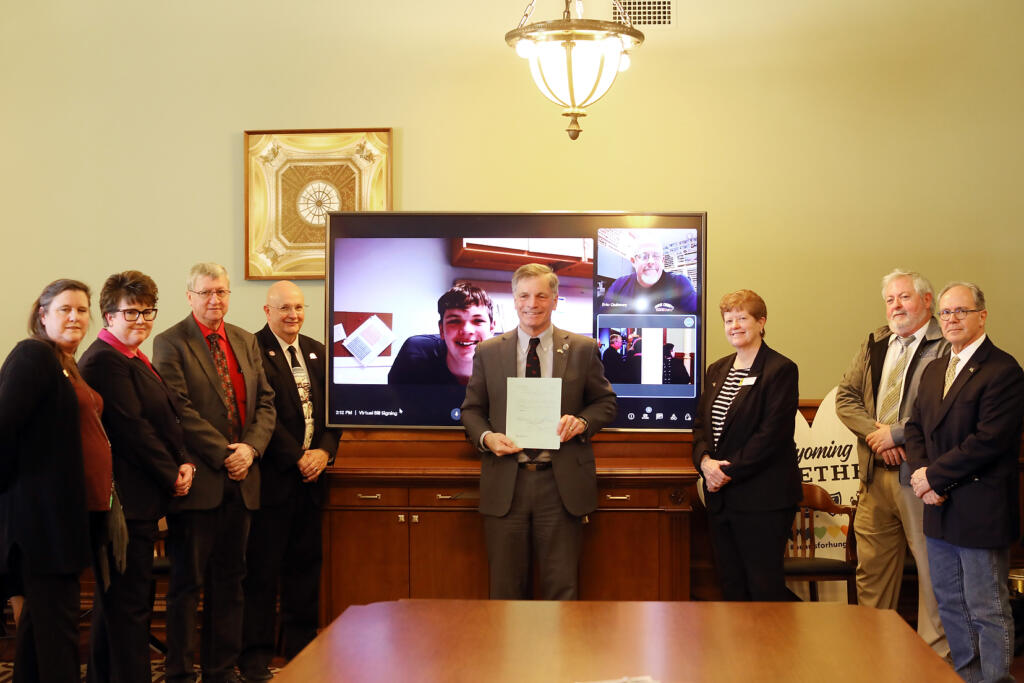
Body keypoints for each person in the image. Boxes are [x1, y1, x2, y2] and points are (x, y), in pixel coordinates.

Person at [461, 264, 617, 600]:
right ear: (514, 300)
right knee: (505, 589)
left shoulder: (582, 349)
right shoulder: (489, 351)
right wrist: (487, 438)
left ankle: (557, 655)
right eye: (525, 295)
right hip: (507, 481)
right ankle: (508, 654)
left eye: (542, 295)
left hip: (560, 486)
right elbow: (472, 410)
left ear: (555, 300)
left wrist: (583, 422)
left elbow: (605, 403)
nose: (533, 303)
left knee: (562, 589)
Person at [153, 262, 276, 683]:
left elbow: (266, 403)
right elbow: (179, 411)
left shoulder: (244, 340)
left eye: (221, 292)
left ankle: (221, 671)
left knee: (231, 583)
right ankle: (181, 674)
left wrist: (251, 448)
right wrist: (227, 453)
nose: (215, 300)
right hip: (200, 483)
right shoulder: (170, 342)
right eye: (205, 293)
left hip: (243, 482)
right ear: (189, 297)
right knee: (187, 586)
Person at [78, 270, 196, 683]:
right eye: (131, 312)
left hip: (140, 502)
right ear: (108, 316)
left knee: (125, 606)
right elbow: (133, 429)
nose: (142, 320)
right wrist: (172, 474)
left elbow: (167, 416)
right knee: (128, 609)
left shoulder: (133, 356)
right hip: (121, 505)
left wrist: (183, 459)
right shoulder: (103, 361)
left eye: (148, 311)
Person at [907, 282, 1024, 682]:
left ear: (982, 316)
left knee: (986, 607)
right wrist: (924, 477)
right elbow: (915, 427)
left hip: (980, 508)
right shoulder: (935, 368)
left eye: (961, 311)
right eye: (946, 313)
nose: (952, 319)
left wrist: (935, 477)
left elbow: (989, 440)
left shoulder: (1004, 371)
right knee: (951, 605)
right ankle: (967, 677)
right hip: (938, 507)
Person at [834, 269, 948, 658]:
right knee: (872, 576)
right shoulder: (875, 343)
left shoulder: (945, 343)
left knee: (935, 577)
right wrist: (877, 435)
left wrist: (897, 436)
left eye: (904, 298)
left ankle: (934, 662)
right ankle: (873, 658)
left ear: (926, 301)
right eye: (890, 300)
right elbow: (846, 398)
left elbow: (944, 408)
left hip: (920, 481)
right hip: (873, 479)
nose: (896, 306)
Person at [0, 279, 108, 682]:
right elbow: (5, 427)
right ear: (42, 315)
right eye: (65, 309)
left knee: (39, 627)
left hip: (67, 516)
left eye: (82, 310)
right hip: (40, 521)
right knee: (58, 628)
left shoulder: (65, 362)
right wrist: (23, 497)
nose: (75, 317)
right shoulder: (34, 355)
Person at [240, 281, 341, 681]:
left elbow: (334, 411)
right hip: (272, 481)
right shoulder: (252, 351)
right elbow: (259, 415)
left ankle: (301, 655)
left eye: (299, 307)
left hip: (313, 482)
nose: (293, 315)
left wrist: (324, 452)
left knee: (305, 571)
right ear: (267, 310)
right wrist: (295, 456)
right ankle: (254, 659)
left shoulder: (317, 351)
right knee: (262, 574)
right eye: (284, 308)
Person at [692, 289, 801, 601]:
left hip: (763, 499)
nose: (734, 326)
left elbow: (772, 435)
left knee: (763, 586)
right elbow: (700, 427)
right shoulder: (717, 370)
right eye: (729, 320)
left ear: (761, 322)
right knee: (731, 585)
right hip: (720, 497)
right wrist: (705, 464)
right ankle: (735, 651)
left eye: (742, 318)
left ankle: (770, 651)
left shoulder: (780, 369)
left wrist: (725, 471)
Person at [388, 282, 495, 386]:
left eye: (478, 321)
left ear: (491, 328)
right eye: (454, 321)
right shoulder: (414, 355)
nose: (466, 330)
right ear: (442, 330)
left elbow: (512, 404)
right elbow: (397, 401)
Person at [600, 236, 697, 314]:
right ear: (634, 261)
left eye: (656, 256)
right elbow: (602, 319)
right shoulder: (619, 285)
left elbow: (696, 325)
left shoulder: (680, 283)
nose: (651, 261)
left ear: (662, 261)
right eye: (644, 256)